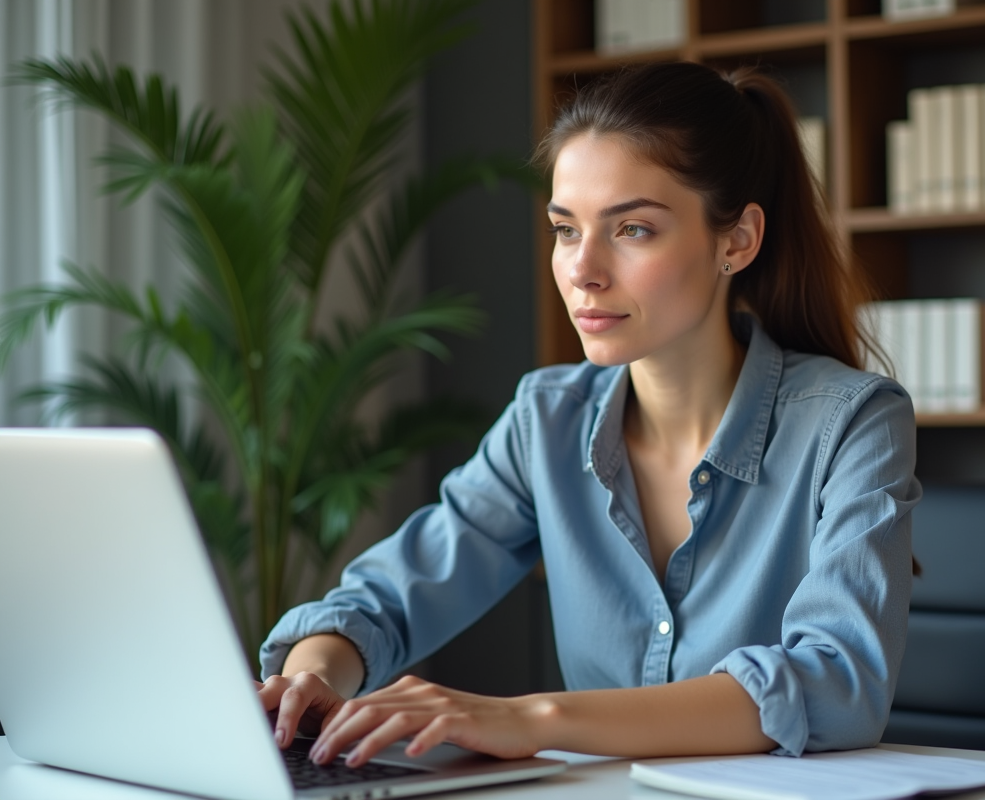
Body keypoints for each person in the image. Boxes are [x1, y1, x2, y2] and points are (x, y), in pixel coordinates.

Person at [257, 61, 920, 767]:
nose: (583, 270)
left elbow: (837, 683)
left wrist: (533, 718)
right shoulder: (547, 421)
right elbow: (388, 597)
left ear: (737, 241)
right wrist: (315, 675)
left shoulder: (853, 423)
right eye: (565, 229)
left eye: (632, 229)